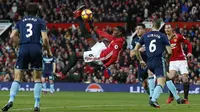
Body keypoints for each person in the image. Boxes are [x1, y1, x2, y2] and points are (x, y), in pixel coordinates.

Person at [2, 3, 51, 112]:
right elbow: (45, 39)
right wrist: (48, 51)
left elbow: (12, 36)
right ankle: (36, 104)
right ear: (37, 12)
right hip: (36, 49)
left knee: (17, 77)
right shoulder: (40, 22)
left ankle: (11, 100)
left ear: (26, 12)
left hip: (24, 48)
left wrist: (19, 44)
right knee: (37, 78)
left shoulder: (20, 22)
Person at [57, 5, 126, 78]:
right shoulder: (116, 38)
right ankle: (77, 15)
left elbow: (114, 57)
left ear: (120, 33)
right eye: (114, 29)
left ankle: (62, 73)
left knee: (76, 55)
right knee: (88, 36)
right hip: (103, 49)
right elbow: (105, 35)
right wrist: (93, 27)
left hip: (101, 56)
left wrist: (105, 65)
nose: (113, 31)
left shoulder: (118, 43)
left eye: (116, 30)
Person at [133, 18, 186, 108]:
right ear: (160, 26)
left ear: (152, 25)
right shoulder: (162, 36)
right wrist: (168, 60)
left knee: (168, 77)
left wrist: (141, 60)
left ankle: (177, 98)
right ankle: (153, 100)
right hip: (159, 61)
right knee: (161, 82)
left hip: (149, 63)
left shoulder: (145, 36)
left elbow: (136, 49)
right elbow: (169, 52)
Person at [165, 24, 192, 104]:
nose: (167, 29)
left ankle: (185, 98)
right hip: (172, 60)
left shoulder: (178, 36)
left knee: (185, 78)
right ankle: (171, 96)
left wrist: (189, 52)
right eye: (166, 28)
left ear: (171, 29)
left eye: (168, 28)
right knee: (170, 77)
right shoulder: (164, 39)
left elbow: (188, 43)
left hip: (182, 60)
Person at [130, 23, 155, 98]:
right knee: (144, 84)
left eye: (140, 28)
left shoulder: (149, 38)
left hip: (150, 61)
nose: (138, 30)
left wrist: (147, 49)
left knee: (150, 73)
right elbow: (131, 54)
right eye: (136, 29)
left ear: (144, 30)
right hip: (141, 64)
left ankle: (152, 96)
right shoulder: (134, 41)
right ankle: (151, 93)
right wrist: (138, 50)